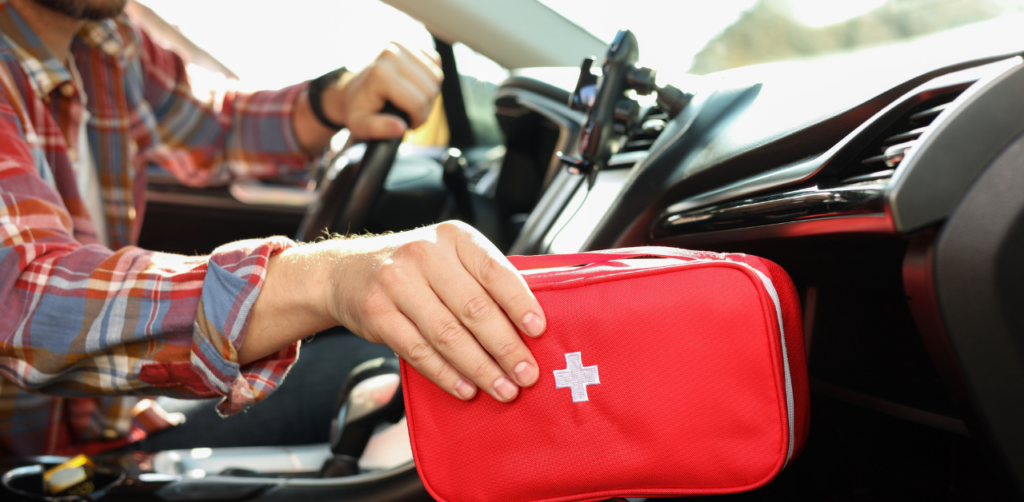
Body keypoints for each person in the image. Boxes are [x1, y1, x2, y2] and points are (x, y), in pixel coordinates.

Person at [0, 0, 546, 457]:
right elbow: (22, 300)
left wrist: (336, 101)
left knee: (393, 379)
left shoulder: (105, 39)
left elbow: (213, 122)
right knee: (393, 374)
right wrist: (326, 278)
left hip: (109, 420)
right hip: (35, 462)